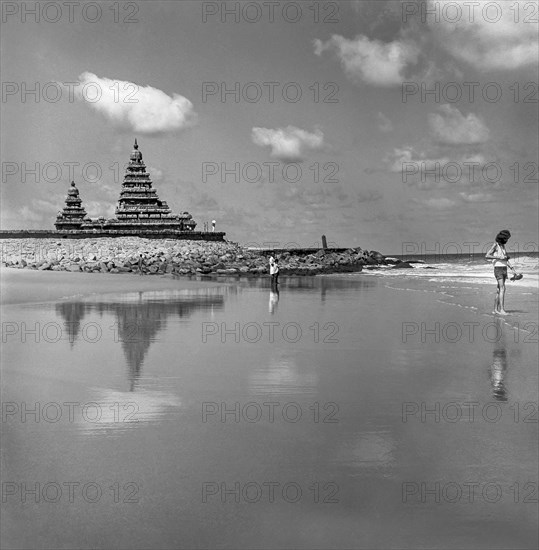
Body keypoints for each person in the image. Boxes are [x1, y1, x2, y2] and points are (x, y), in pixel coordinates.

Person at [485, 230, 515, 315]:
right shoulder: (496, 245)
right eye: (506, 238)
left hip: (504, 268)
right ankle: (502, 310)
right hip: (498, 269)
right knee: (503, 288)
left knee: (499, 289)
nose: (507, 240)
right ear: (502, 238)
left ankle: (495, 310)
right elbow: (487, 255)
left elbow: (505, 259)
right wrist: (498, 257)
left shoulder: (503, 246)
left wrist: (512, 268)